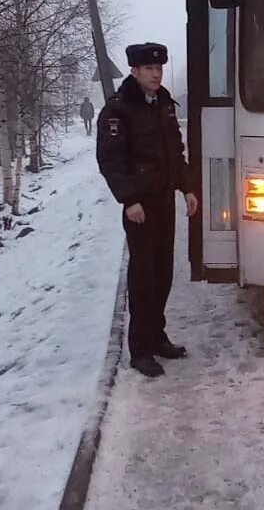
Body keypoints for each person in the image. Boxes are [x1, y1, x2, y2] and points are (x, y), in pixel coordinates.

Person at [95, 42, 199, 378]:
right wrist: (129, 200)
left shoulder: (164, 103)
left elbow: (175, 150)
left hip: (164, 200)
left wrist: (187, 187)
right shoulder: (119, 110)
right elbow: (111, 160)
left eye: (159, 69)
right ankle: (139, 350)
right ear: (134, 71)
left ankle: (156, 337)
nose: (156, 74)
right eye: (149, 69)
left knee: (163, 273)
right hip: (140, 206)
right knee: (143, 277)